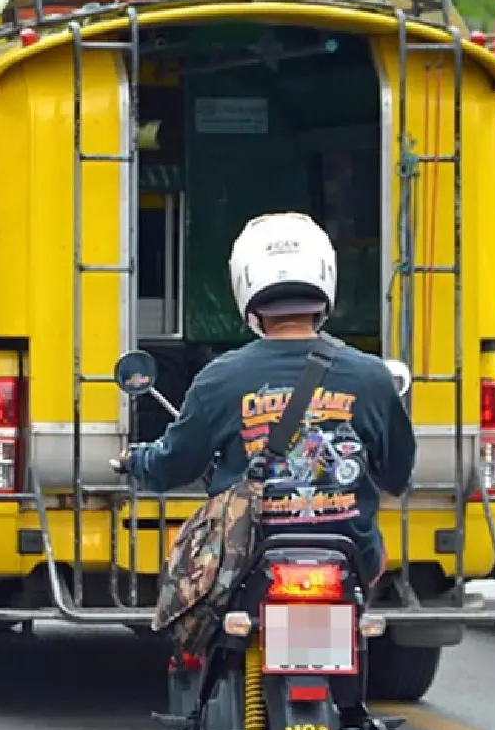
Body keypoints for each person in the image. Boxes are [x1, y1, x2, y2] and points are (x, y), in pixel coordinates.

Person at [120, 212, 416, 584]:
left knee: (195, 621)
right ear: (326, 277)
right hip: (351, 557)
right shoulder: (371, 376)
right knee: (372, 569)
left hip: (245, 559)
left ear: (244, 285)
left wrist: (137, 460)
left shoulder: (219, 379)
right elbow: (398, 475)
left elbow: (176, 465)